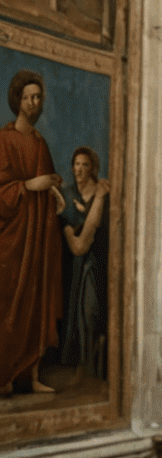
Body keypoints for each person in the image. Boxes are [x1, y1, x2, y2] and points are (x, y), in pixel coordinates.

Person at [0, 71, 64, 396]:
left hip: (38, 235)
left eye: (38, 97)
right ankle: (5, 376)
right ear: (17, 100)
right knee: (10, 302)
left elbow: (45, 177)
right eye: (28, 97)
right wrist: (28, 185)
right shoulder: (5, 140)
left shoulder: (40, 142)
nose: (34, 103)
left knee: (35, 301)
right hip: (12, 238)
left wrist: (53, 190)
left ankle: (30, 375)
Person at [59, 146, 109, 386]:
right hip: (74, 267)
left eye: (85, 165)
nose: (79, 170)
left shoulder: (103, 194)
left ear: (93, 169)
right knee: (78, 316)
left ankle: (90, 366)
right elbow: (77, 246)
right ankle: (82, 366)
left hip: (99, 264)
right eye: (76, 165)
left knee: (91, 313)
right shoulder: (67, 195)